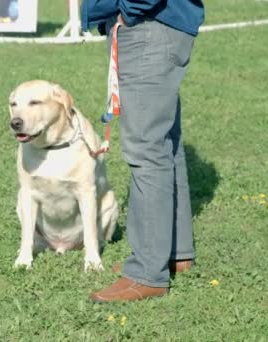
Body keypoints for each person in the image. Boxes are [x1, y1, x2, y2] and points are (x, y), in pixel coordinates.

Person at [80, 0, 205, 302]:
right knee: (165, 145)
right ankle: (175, 252)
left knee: (147, 151)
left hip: (148, 24)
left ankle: (147, 272)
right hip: (158, 24)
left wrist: (129, 10)